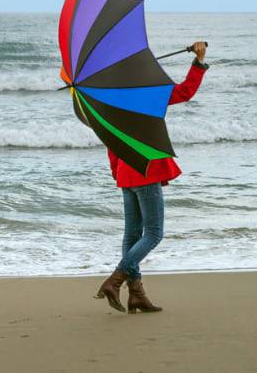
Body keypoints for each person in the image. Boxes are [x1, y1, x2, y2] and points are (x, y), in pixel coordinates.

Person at [95, 40, 209, 314]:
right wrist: (198, 61)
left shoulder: (111, 100)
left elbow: (112, 142)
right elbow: (185, 91)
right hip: (146, 172)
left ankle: (137, 294)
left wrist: (117, 174)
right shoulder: (149, 94)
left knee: (132, 234)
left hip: (125, 171)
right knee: (154, 234)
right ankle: (116, 279)